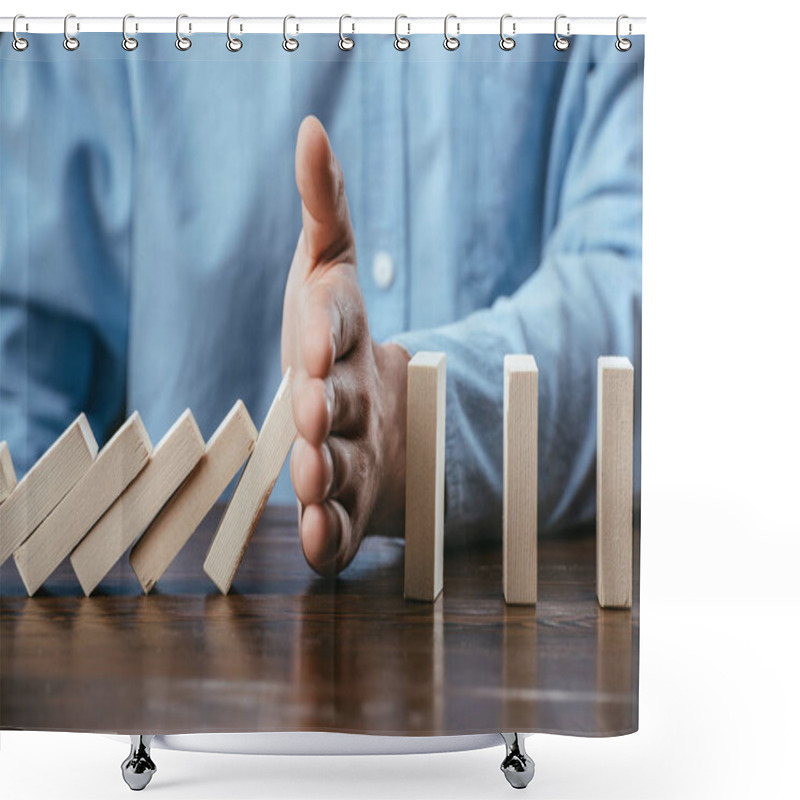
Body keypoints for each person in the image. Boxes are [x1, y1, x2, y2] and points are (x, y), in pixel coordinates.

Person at [0, 32, 643, 576]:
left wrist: (403, 428)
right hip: (189, 682)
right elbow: (21, 382)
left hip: (512, 659)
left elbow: (643, 282)